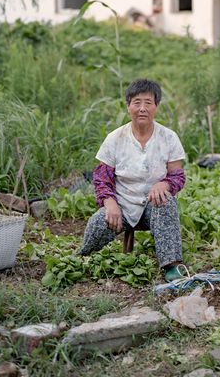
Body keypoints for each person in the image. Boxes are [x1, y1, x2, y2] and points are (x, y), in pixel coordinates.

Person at [78, 78, 187, 282]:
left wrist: (165, 184)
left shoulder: (169, 137)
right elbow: (101, 178)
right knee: (98, 223)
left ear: (156, 106)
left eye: (148, 102)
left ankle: (171, 265)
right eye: (137, 102)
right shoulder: (115, 138)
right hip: (123, 206)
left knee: (166, 201)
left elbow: (178, 175)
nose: (142, 108)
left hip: (152, 207)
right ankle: (82, 258)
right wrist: (110, 203)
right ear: (128, 106)